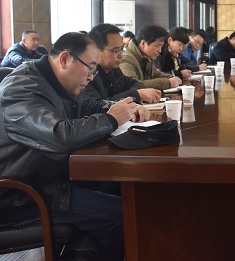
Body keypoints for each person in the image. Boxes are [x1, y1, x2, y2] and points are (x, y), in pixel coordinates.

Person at [0, 32, 150, 261]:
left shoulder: (57, 82)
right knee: (121, 214)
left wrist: (124, 109)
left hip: (51, 178)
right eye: (90, 68)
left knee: (122, 187)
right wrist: (111, 119)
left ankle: (80, 252)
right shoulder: (21, 89)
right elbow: (58, 136)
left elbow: (91, 106)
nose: (91, 77)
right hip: (22, 195)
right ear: (65, 59)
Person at [86, 23, 161, 104]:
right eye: (116, 51)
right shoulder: (88, 76)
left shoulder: (114, 71)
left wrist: (136, 94)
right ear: (96, 50)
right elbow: (97, 106)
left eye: (121, 49)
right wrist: (136, 95)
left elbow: (137, 84)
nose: (121, 55)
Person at [120, 24, 182, 90]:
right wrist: (168, 83)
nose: (159, 50)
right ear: (143, 43)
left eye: (161, 46)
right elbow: (133, 84)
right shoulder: (126, 59)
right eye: (157, 46)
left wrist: (172, 78)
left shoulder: (146, 57)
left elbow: (156, 74)